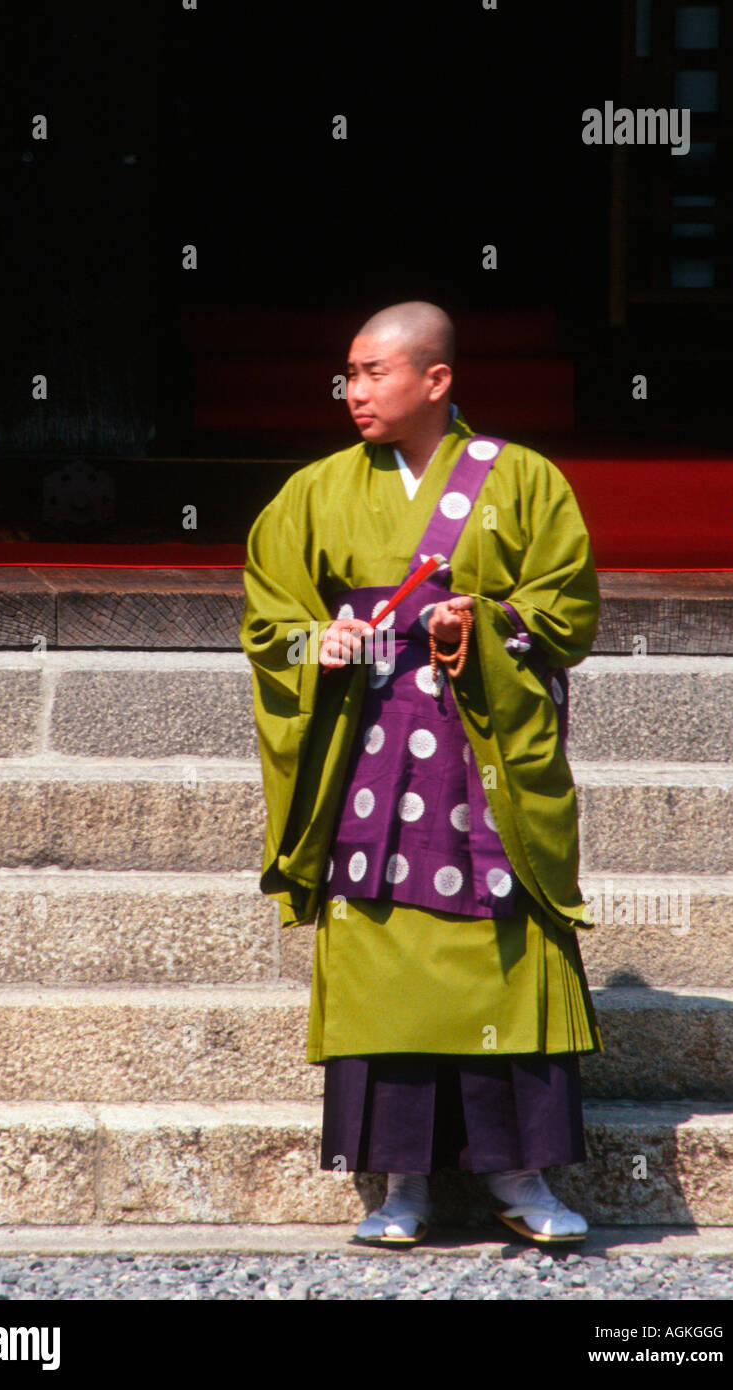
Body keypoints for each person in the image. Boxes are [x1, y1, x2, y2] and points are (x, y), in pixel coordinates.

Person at [240, 301, 603, 1247]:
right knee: (379, 944)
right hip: (367, 751)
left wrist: (480, 623)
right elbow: (265, 624)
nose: (353, 391)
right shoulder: (313, 491)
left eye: (373, 372)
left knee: (500, 941)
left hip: (482, 750)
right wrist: (321, 641)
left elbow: (566, 614)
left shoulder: (522, 480)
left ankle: (521, 1176)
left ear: (435, 380)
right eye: (348, 375)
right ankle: (399, 1185)